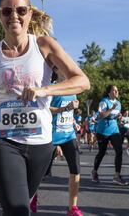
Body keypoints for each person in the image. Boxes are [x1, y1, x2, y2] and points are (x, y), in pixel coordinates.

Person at [0, 0, 90, 216]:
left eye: (20, 10)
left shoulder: (44, 45)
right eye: (7, 11)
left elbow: (82, 81)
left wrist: (44, 90)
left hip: (41, 143)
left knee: (18, 206)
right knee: (18, 210)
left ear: (30, 14)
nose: (14, 16)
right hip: (2, 140)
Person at [48, 67, 83, 215]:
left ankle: (72, 208)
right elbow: (47, 108)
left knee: (76, 169)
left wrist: (74, 122)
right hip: (51, 135)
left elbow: (70, 111)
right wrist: (66, 108)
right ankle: (33, 197)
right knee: (40, 172)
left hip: (69, 135)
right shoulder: (52, 88)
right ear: (57, 70)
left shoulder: (72, 89)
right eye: (63, 69)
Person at [91, 85, 127, 186]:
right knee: (102, 152)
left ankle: (117, 176)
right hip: (102, 131)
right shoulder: (104, 101)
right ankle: (94, 171)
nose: (116, 92)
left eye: (117, 90)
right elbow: (101, 115)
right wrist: (111, 109)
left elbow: (115, 116)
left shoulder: (118, 103)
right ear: (109, 92)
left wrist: (118, 116)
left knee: (119, 151)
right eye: (114, 90)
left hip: (114, 130)